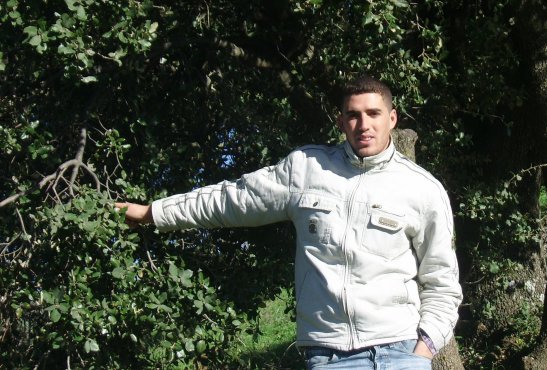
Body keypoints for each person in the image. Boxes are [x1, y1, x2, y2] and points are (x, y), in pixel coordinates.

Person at [116, 76, 462, 370]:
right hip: (328, 356)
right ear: (340, 122)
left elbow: (442, 284)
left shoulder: (422, 189)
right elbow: (233, 199)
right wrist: (152, 213)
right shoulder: (306, 170)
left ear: (392, 118)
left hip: (398, 352)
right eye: (353, 115)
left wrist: (422, 353)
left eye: (374, 113)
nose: (364, 125)